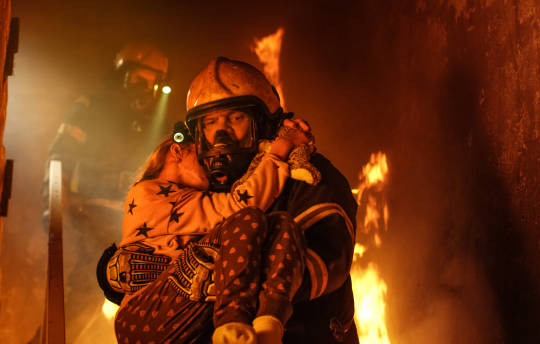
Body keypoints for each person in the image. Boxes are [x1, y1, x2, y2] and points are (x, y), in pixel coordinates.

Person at [184, 57, 358, 343]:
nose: (220, 135)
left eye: (235, 118)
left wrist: (224, 282)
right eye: (210, 123)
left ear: (264, 123)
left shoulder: (309, 175)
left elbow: (327, 261)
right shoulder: (200, 189)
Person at [108, 118, 312, 344]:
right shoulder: (149, 192)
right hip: (144, 316)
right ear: (177, 150)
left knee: (281, 225)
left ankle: (268, 331)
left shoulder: (185, 199)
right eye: (201, 158)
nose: (210, 165)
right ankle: (233, 328)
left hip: (179, 313)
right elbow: (241, 206)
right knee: (247, 219)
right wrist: (280, 150)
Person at [44, 41, 171, 343]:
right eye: (140, 78)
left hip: (138, 221)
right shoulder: (92, 108)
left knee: (143, 297)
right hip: (91, 209)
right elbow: (59, 156)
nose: (146, 87)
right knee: (90, 284)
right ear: (122, 74)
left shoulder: (156, 121)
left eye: (153, 81)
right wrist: (55, 206)